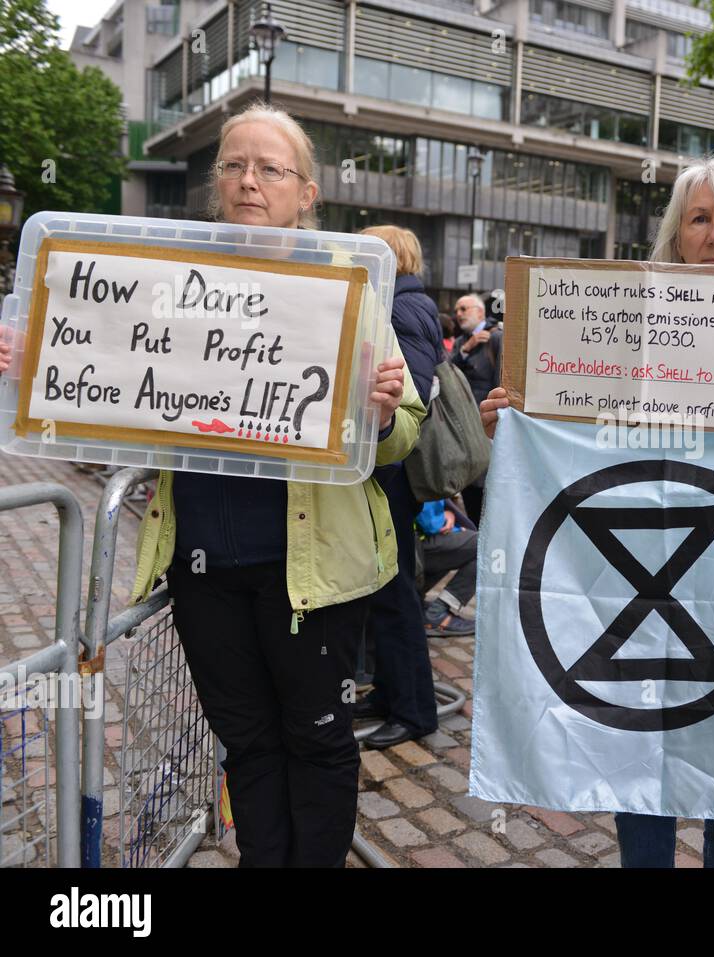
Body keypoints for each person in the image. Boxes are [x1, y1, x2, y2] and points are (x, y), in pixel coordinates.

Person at [479, 156, 714, 867]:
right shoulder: (620, 324)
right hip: (629, 585)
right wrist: (517, 424)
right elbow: (570, 447)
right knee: (636, 754)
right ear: (677, 238)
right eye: (699, 219)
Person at [120, 104, 422, 867]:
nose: (248, 181)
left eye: (269, 169)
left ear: (306, 192)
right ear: (216, 181)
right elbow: (115, 378)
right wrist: (40, 356)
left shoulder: (345, 287)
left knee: (318, 742)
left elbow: (407, 429)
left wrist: (381, 411)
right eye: (233, 165)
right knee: (247, 744)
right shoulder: (172, 281)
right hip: (203, 569)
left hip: (311, 573)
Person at [352, 225, 445, 750]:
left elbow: (409, 384)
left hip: (392, 472)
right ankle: (391, 694)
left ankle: (414, 710)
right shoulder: (403, 301)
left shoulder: (402, 305)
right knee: (386, 588)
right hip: (387, 471)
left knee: (395, 592)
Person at [452, 293, 501, 524]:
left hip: (488, 430)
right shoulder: (462, 341)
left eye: (464, 308)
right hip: (465, 431)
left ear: (480, 311)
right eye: (456, 310)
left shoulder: (496, 338)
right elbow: (447, 371)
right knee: (470, 489)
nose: (458, 314)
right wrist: (467, 348)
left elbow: (502, 382)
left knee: (487, 494)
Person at [416, 497, 477, 637]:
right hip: (417, 542)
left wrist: (447, 512)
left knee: (460, 544)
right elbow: (430, 523)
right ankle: (436, 612)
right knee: (488, 547)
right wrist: (444, 516)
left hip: (411, 543)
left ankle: (416, 600)